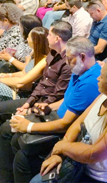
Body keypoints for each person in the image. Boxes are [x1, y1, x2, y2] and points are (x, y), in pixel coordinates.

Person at [30, 57, 107, 183]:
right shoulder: (102, 98)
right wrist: (58, 154)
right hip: (82, 166)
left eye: (102, 77)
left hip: (105, 178)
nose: (98, 78)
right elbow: (77, 125)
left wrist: (62, 147)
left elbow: (95, 154)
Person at [9, 37, 101, 183]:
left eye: (70, 58)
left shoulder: (90, 82)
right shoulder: (79, 70)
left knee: (21, 157)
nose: (66, 62)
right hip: (54, 117)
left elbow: (66, 124)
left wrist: (30, 126)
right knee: (14, 138)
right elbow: (66, 101)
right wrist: (48, 107)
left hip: (64, 131)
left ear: (82, 57)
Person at [0, 21, 73, 183]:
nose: (47, 37)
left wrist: (30, 110)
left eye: (50, 34)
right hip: (37, 100)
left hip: (47, 107)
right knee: (6, 124)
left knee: (7, 130)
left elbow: (56, 96)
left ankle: (6, 177)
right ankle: (6, 174)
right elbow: (41, 84)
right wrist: (28, 103)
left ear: (58, 38)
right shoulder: (52, 53)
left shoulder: (68, 63)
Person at [0, 27, 49, 102]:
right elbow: (24, 72)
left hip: (25, 95)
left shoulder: (44, 60)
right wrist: (8, 75)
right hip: (19, 88)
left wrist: (2, 79)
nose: (27, 39)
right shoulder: (35, 55)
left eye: (29, 37)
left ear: (34, 42)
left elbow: (21, 83)